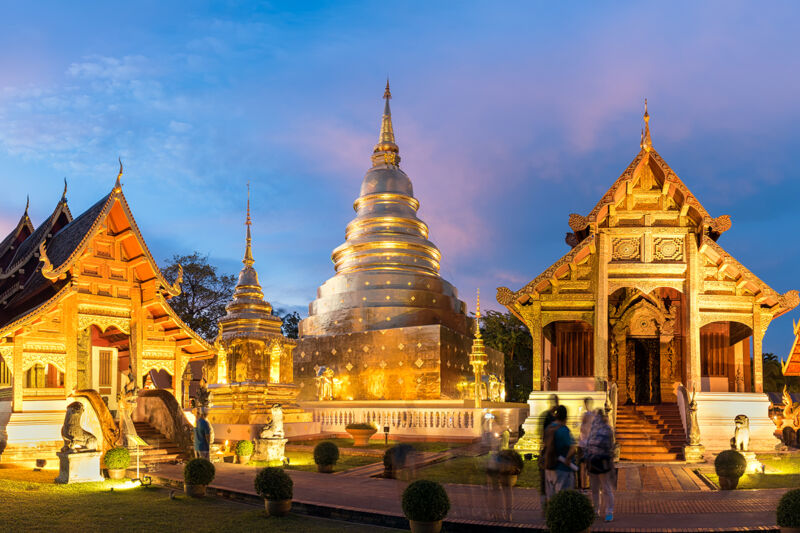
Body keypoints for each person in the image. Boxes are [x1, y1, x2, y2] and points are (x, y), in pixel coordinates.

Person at [586, 408, 615, 522]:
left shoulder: (593, 428)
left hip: (593, 461)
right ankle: (608, 512)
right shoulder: (607, 429)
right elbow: (610, 446)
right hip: (603, 462)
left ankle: (597, 510)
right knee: (605, 488)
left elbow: (589, 444)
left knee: (595, 489)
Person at [543, 405, 576, 499]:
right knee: (562, 498)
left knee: (551, 498)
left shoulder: (549, 428)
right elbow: (572, 448)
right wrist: (568, 459)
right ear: (566, 417)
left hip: (549, 466)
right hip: (562, 468)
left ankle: (551, 513)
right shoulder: (564, 430)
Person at [577, 397, 596, 490]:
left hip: (585, 444)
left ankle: (585, 485)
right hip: (587, 443)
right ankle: (586, 485)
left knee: (585, 466)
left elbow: (582, 428)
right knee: (586, 466)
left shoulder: (587, 415)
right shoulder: (591, 415)